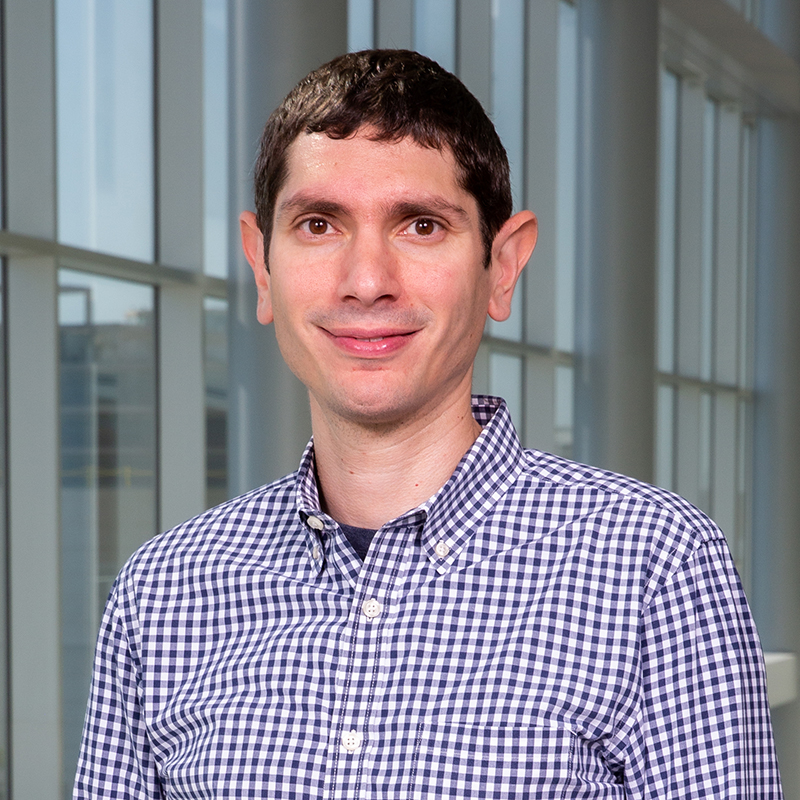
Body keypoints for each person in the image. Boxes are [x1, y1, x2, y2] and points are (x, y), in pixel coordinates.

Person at [74, 49, 782, 798]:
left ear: (501, 266)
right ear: (262, 265)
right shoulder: (162, 594)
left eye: (419, 225)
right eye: (319, 225)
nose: (367, 281)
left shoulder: (655, 571)